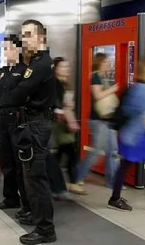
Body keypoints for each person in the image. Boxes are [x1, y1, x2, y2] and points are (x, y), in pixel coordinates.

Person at [12, 20, 56, 244]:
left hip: (37, 125)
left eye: (29, 34)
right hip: (34, 123)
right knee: (30, 175)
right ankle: (37, 217)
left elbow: (19, 92)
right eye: (23, 34)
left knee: (36, 178)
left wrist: (19, 92)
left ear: (41, 37)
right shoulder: (36, 62)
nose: (25, 38)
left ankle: (46, 229)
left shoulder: (40, 63)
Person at [0, 36, 31, 220]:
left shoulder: (25, 71)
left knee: (19, 163)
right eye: (4, 48)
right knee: (6, 160)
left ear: (19, 50)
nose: (6, 52)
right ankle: (10, 197)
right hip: (4, 120)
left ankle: (26, 203)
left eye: (9, 48)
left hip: (17, 119)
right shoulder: (2, 72)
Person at [108, 56, 145, 211]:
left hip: (128, 134)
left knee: (123, 166)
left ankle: (115, 197)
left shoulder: (135, 87)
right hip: (138, 137)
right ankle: (115, 198)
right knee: (124, 166)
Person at [77, 53, 120, 188]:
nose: (108, 64)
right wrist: (112, 90)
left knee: (113, 151)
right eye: (106, 62)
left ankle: (112, 181)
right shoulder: (95, 76)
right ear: (100, 63)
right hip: (98, 121)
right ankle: (79, 176)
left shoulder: (104, 77)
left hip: (108, 120)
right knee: (96, 151)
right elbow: (97, 95)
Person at [52, 57, 86, 195]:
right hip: (57, 124)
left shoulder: (66, 84)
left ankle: (57, 185)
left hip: (64, 123)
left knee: (60, 154)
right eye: (63, 67)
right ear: (56, 68)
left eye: (67, 67)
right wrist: (71, 120)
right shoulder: (55, 84)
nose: (66, 69)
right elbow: (60, 107)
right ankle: (71, 183)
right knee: (70, 153)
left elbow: (67, 106)